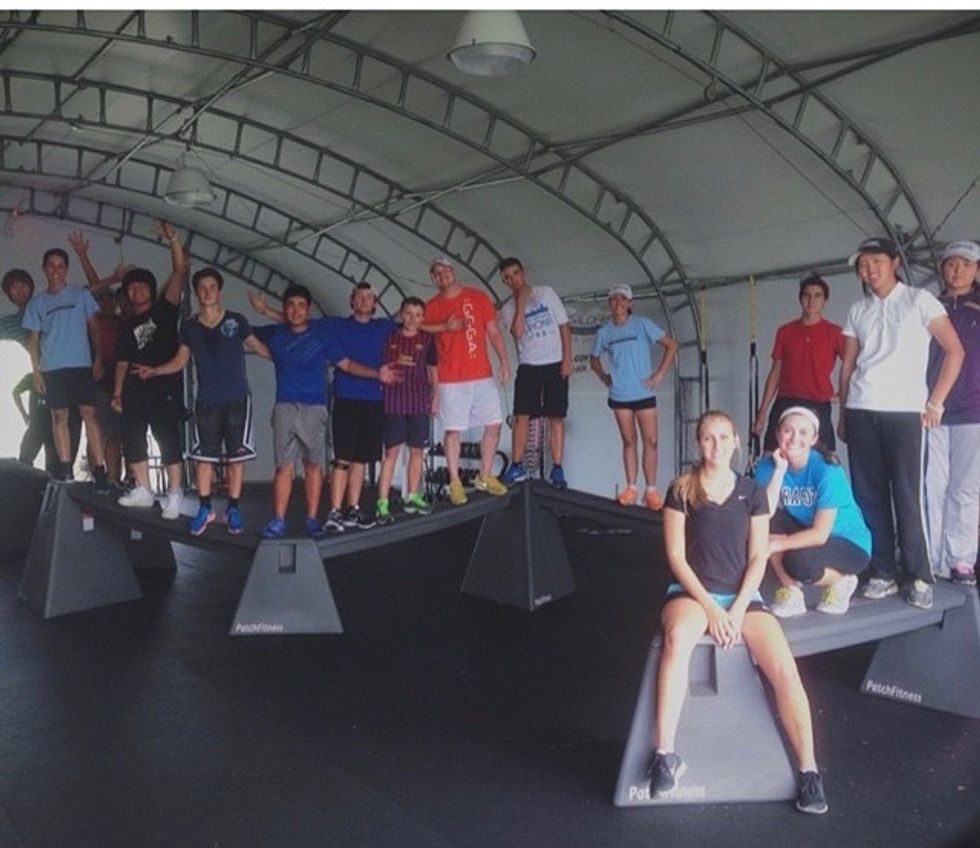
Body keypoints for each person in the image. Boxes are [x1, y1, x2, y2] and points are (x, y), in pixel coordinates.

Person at [649, 409, 827, 815]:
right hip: (693, 593)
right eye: (708, 438)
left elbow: (759, 557)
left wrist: (739, 606)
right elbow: (676, 557)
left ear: (735, 443)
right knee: (677, 639)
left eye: (723, 438)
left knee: (785, 669)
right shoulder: (681, 489)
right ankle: (664, 755)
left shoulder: (753, 492)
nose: (716, 445)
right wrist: (712, 610)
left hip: (743, 596)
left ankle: (809, 772)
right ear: (699, 443)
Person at [838, 237, 965, 610]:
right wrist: (843, 413)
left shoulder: (919, 300)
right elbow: (847, 367)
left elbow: (955, 351)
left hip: (906, 412)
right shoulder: (857, 310)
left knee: (909, 496)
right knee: (868, 495)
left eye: (876, 261)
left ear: (894, 262)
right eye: (863, 264)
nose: (870, 269)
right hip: (862, 408)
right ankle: (882, 573)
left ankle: (920, 575)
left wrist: (935, 402)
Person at [248, 284, 398, 539]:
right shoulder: (280, 332)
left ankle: (314, 518)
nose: (296, 310)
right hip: (286, 406)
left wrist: (378, 375)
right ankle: (280, 519)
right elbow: (244, 333)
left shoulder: (323, 333)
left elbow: (347, 363)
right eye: (291, 305)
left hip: (318, 407)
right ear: (352, 300)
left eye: (301, 306)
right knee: (284, 466)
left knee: (315, 465)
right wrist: (260, 318)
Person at [134, 268, 270, 536]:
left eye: (212, 287)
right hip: (207, 402)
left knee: (237, 459)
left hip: (237, 400)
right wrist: (156, 370)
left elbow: (259, 347)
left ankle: (233, 509)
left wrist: (289, 360)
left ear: (219, 290)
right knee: (203, 459)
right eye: (202, 288)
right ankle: (205, 508)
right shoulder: (190, 326)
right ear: (196, 293)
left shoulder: (236, 321)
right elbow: (180, 361)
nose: (207, 292)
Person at [753, 406, 871, 616]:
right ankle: (792, 593)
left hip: (849, 542)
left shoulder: (827, 470)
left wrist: (777, 544)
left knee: (798, 562)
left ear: (814, 438)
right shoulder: (767, 466)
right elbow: (765, 512)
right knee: (766, 523)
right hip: (808, 529)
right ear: (778, 433)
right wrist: (779, 471)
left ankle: (841, 580)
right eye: (788, 430)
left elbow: (820, 534)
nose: (794, 438)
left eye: (803, 432)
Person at [112, 223, 189, 519]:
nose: (136, 290)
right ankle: (143, 490)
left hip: (163, 385)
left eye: (142, 285)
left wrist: (173, 239)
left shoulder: (164, 309)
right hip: (133, 389)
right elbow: (122, 361)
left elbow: (180, 271)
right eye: (131, 287)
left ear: (151, 288)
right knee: (132, 437)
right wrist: (117, 392)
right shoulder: (126, 325)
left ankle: (175, 493)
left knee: (167, 437)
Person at [22, 247, 111, 493]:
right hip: (52, 368)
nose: (56, 270)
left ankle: (100, 472)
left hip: (81, 365)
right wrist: (36, 372)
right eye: (51, 265)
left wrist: (98, 359)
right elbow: (33, 339)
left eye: (61, 265)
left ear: (67, 270)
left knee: (89, 414)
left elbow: (95, 328)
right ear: (44, 269)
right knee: (58, 417)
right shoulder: (38, 302)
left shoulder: (80, 295)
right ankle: (66, 470)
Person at [424, 257, 511, 505]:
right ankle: (454, 481)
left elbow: (493, 331)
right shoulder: (431, 306)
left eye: (445, 270)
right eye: (436, 273)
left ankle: (484, 475)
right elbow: (415, 326)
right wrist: (445, 327)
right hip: (450, 378)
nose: (442, 275)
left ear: (453, 271)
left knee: (494, 424)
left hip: (482, 375)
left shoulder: (478, 296)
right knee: (453, 430)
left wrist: (504, 361)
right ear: (433, 279)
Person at [589, 284, 677, 508]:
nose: (618, 302)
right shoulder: (604, 332)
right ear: (610, 304)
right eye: (614, 299)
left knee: (651, 441)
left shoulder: (642, 324)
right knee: (629, 441)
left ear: (629, 303)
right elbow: (593, 359)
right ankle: (631, 489)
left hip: (643, 392)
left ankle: (651, 490)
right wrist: (605, 378)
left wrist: (659, 375)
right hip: (620, 395)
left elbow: (671, 345)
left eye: (622, 299)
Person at [924, 240, 980, 585]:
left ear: (977, 269)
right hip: (932, 409)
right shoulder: (930, 306)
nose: (956, 271)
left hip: (973, 409)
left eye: (965, 264)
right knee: (931, 485)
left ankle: (960, 559)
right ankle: (931, 559)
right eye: (950, 264)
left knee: (965, 488)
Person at [497, 257, 572, 489]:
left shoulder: (546, 293)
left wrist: (567, 358)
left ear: (524, 272)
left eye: (515, 273)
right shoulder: (508, 308)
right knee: (521, 415)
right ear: (504, 282)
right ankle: (517, 464)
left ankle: (557, 468)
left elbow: (564, 325)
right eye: (507, 278)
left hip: (554, 362)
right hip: (529, 364)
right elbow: (518, 332)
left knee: (555, 416)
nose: (513, 280)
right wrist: (520, 300)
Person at [752, 275, 844, 451]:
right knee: (772, 455)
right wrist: (762, 411)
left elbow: (852, 364)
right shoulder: (785, 331)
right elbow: (775, 373)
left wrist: (841, 394)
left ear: (825, 300)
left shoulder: (834, 333)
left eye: (817, 295)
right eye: (807, 295)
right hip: (786, 400)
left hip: (819, 403)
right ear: (800, 299)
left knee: (823, 458)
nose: (812, 300)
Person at [374, 296, 439, 525]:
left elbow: (432, 370)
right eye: (409, 313)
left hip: (419, 402)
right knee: (391, 453)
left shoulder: (428, 339)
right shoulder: (389, 337)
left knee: (417, 452)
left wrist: (435, 396)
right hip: (394, 402)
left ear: (423, 318)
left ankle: (413, 497)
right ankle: (382, 503)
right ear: (401, 314)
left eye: (418, 315)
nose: (412, 319)